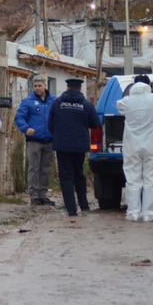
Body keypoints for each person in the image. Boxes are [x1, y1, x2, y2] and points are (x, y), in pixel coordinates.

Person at [116, 75, 153, 222]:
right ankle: (149, 213)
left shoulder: (125, 102)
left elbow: (119, 107)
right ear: (149, 85)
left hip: (132, 146)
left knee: (132, 180)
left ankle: (133, 213)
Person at [48, 78, 100, 216]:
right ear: (80, 89)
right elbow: (95, 123)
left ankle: (71, 209)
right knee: (79, 174)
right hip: (79, 145)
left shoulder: (57, 103)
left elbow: (50, 124)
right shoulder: (87, 104)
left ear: (67, 87)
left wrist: (58, 135)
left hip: (62, 145)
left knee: (65, 176)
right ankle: (84, 206)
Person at [15, 75, 57, 206]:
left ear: (45, 85)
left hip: (49, 140)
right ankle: (34, 195)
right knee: (34, 168)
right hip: (34, 140)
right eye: (35, 86)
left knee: (45, 168)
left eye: (40, 85)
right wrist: (26, 128)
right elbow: (19, 118)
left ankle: (43, 194)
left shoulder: (54, 100)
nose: (37, 88)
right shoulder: (28, 101)